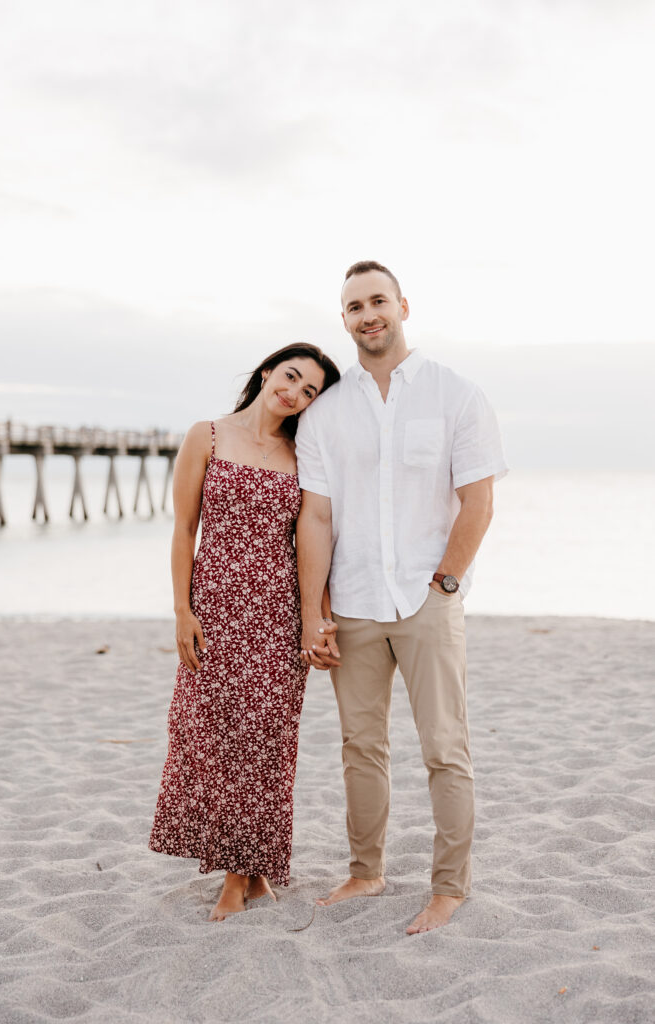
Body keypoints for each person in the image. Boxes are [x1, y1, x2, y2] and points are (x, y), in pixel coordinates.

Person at [295, 261, 508, 934]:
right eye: (354, 305)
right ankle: (366, 870)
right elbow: (317, 519)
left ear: (402, 306)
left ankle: (449, 887)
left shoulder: (456, 395)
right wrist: (313, 613)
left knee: (444, 747)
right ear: (344, 319)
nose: (367, 314)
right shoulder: (324, 414)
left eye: (377, 300)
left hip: (426, 600)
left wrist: (445, 581)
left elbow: (478, 501)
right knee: (361, 748)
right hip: (352, 603)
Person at [149, 343, 340, 922]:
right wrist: (182, 611)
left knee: (265, 745)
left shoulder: (303, 452)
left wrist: (316, 616)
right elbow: (184, 531)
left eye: (309, 391)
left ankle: (239, 878)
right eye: (291, 377)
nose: (295, 393)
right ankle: (251, 870)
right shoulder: (206, 435)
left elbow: (314, 536)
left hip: (276, 616)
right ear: (266, 372)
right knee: (208, 736)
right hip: (213, 610)